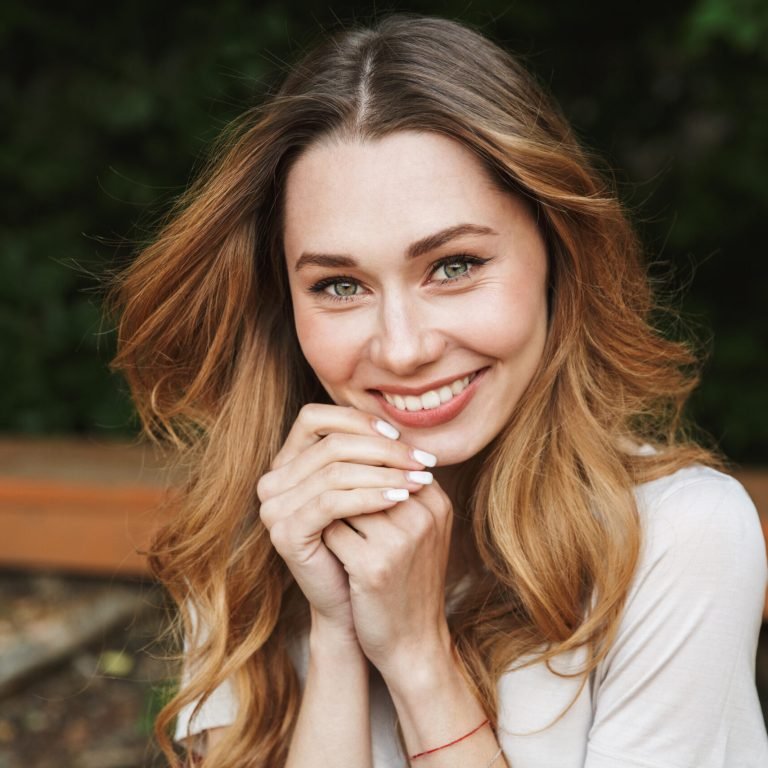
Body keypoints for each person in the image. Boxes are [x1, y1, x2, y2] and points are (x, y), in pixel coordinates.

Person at [110, 14, 768, 768]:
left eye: (453, 266)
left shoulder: (679, 538)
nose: (403, 346)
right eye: (340, 284)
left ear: (558, 251)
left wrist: (420, 659)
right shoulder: (258, 534)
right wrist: (337, 637)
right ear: (284, 305)